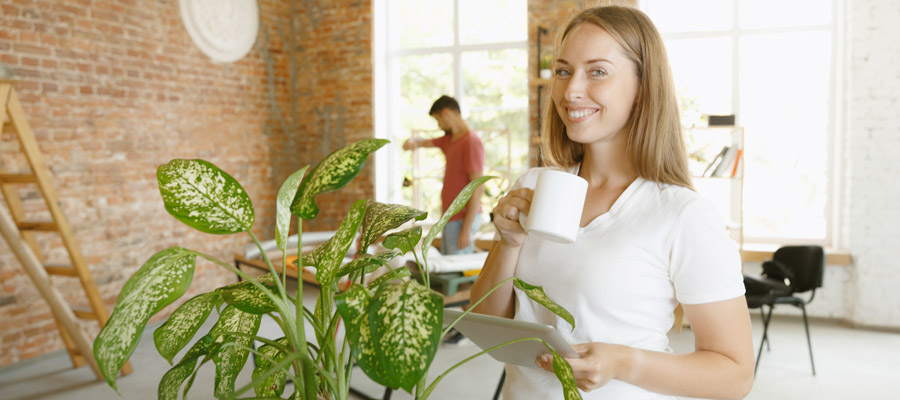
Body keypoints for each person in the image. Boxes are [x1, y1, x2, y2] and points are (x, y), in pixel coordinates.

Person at [470, 6, 754, 400]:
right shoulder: (535, 187)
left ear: (643, 86)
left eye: (597, 71)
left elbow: (735, 376)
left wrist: (624, 362)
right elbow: (488, 326)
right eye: (564, 70)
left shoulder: (682, 214)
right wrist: (509, 243)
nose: (570, 91)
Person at [403, 95, 485, 255]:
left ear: (446, 113)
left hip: (462, 219)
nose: (439, 125)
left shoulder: (470, 142)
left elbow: (477, 187)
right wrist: (412, 141)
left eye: (437, 119)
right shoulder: (450, 140)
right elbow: (424, 142)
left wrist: (466, 229)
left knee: (457, 271)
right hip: (450, 217)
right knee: (449, 268)